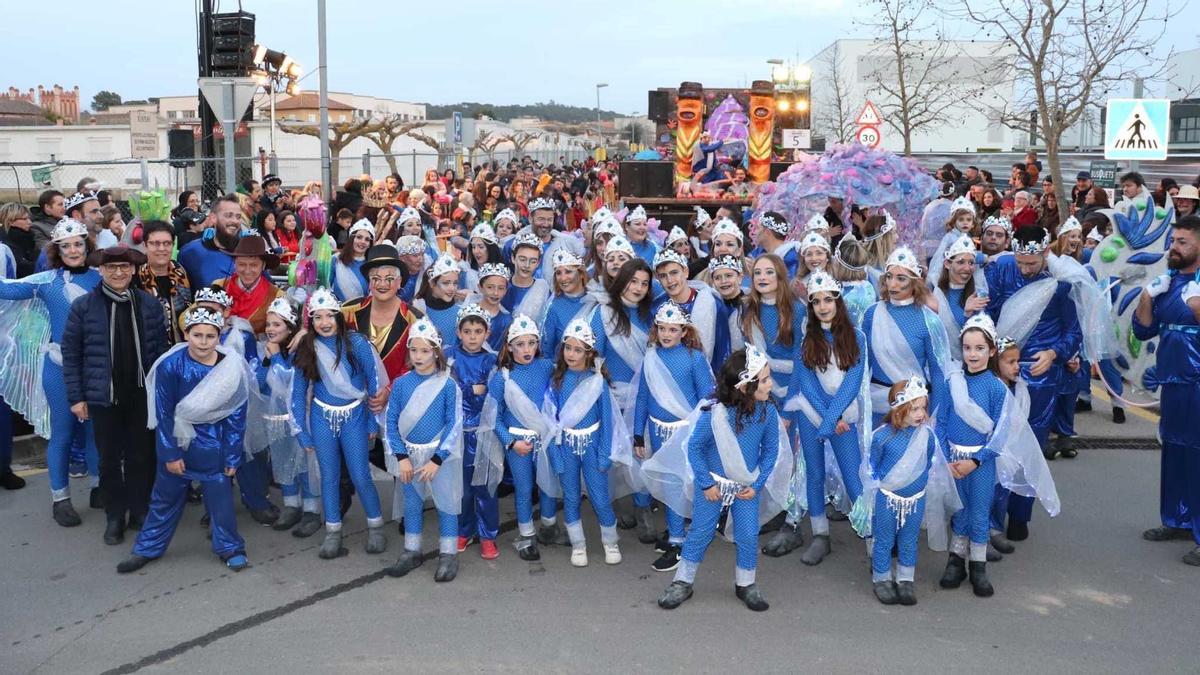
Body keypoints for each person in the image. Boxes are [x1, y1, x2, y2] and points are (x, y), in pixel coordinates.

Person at [650, 347, 789, 612]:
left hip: (746, 486)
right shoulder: (713, 413)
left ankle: (746, 583)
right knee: (701, 532)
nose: (771, 384)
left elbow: (771, 450)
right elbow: (695, 448)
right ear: (745, 386)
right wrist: (706, 483)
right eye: (765, 379)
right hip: (713, 486)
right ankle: (683, 581)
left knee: (748, 534)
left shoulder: (767, 413)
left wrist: (757, 485)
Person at [116, 308, 251, 573]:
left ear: (219, 336)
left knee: (220, 501)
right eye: (197, 335)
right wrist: (170, 454)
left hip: (215, 444)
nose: (203, 342)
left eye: (210, 336)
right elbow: (164, 413)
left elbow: (237, 416)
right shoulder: (170, 365)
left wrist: (233, 456)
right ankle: (147, 547)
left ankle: (230, 547)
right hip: (177, 440)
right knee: (164, 499)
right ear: (185, 334)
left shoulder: (231, 367)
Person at [62, 245, 167, 545]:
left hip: (139, 394)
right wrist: (76, 397)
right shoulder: (84, 306)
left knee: (141, 456)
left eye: (124, 267)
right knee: (108, 459)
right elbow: (71, 355)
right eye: (112, 268)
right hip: (102, 396)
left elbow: (159, 352)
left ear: (133, 270)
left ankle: (139, 510)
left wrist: (159, 394)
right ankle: (114, 515)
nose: (118, 273)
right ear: (101, 271)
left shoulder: (148, 305)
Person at [0, 217, 102, 526]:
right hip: (59, 367)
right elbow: (6, 289)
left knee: (95, 432)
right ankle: (61, 499)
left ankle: (101, 488)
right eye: (66, 246)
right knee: (63, 432)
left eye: (78, 244)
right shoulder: (46, 281)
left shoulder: (102, 278)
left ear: (87, 246)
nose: (73, 250)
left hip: (96, 367)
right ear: (57, 250)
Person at [986, 226, 1082, 541]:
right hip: (1003, 371)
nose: (1025, 269)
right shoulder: (1002, 270)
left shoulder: (1061, 282)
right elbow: (990, 314)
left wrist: (1055, 353)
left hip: (1041, 377)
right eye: (1021, 263)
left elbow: (1074, 330)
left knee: (1032, 446)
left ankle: (1019, 515)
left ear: (1044, 254)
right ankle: (990, 516)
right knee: (998, 442)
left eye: (1031, 263)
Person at [773, 272, 868, 563]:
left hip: (843, 418)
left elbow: (852, 383)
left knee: (853, 477)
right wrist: (825, 419)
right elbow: (806, 383)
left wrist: (834, 419)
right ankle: (820, 534)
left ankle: (871, 535)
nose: (823, 306)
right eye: (816, 302)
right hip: (813, 415)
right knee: (812, 475)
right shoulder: (808, 340)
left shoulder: (857, 337)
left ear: (838, 302)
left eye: (828, 299)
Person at [291, 288, 389, 560]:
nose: (324, 322)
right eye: (318, 317)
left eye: (329, 316)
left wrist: (372, 420)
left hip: (355, 416)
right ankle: (333, 531)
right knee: (329, 476)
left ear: (339, 317)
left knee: (360, 475)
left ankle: (376, 526)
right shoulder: (307, 347)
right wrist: (301, 431)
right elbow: (297, 393)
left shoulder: (356, 343)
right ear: (311, 321)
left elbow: (375, 383)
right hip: (322, 417)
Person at [1133, 214, 1200, 566]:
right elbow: (1144, 331)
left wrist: (1196, 305)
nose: (1174, 247)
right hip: (1173, 383)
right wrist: (1147, 293)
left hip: (1199, 383)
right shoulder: (1169, 281)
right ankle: (1177, 519)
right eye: (1173, 241)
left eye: (1182, 242)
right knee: (1174, 451)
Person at [631, 302, 716, 570]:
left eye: (673, 329)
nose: (667, 334)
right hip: (657, 431)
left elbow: (707, 399)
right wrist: (637, 434)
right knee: (669, 483)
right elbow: (643, 397)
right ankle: (676, 531)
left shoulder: (694, 357)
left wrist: (700, 434)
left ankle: (679, 541)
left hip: (684, 431)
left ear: (684, 331)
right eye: (662, 328)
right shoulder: (651, 356)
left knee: (679, 484)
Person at [383, 317, 464, 582]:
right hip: (410, 456)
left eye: (425, 350)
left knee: (447, 503)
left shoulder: (447, 384)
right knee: (412, 502)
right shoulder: (402, 384)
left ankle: (449, 554)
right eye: (414, 350)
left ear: (436, 352)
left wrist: (438, 459)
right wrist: (402, 458)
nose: (418, 356)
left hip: (439, 457)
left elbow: (454, 424)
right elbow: (390, 422)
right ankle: (411, 550)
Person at [474, 315, 560, 560]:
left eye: (531, 343)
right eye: (520, 344)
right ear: (509, 347)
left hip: (544, 439)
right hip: (518, 443)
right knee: (523, 488)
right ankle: (526, 535)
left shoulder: (546, 368)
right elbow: (493, 416)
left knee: (548, 484)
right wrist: (511, 443)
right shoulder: (503, 377)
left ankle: (549, 526)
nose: (526, 350)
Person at [546, 318, 630, 567]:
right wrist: (556, 455)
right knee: (570, 496)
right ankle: (578, 544)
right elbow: (550, 422)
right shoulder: (556, 381)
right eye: (568, 348)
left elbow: (607, 421)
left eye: (578, 349)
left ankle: (610, 541)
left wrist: (605, 452)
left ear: (589, 353)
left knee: (600, 496)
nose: (571, 354)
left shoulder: (597, 382)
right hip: (566, 446)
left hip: (593, 446)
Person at [937, 314, 1010, 597]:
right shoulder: (951, 382)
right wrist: (947, 459)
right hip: (953, 460)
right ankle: (956, 561)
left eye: (980, 348)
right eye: (967, 348)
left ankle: (978, 566)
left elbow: (1000, 433)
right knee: (959, 511)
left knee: (979, 513)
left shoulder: (996, 388)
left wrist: (975, 460)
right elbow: (941, 421)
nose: (973, 354)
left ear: (992, 351)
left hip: (981, 462)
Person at [866, 377, 945, 605]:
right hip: (888, 498)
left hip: (915, 499)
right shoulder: (881, 436)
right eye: (914, 409)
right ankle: (881, 578)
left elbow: (928, 462)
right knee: (884, 538)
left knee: (909, 539)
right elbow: (873, 466)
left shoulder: (928, 435)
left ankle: (905, 579)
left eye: (923, 408)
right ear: (899, 409)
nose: (921, 414)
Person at [862, 247, 950, 426]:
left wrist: (934, 416)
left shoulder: (929, 320)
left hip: (914, 410)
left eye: (901, 278)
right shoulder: (872, 314)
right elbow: (863, 364)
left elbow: (938, 372)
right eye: (889, 276)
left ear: (915, 283)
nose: (892, 284)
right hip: (877, 405)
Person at [256, 297, 322, 538]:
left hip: (298, 418)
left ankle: (312, 510)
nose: (271, 329)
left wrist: (275, 357)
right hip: (275, 419)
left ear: (290, 327)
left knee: (304, 464)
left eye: (277, 324)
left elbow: (288, 384)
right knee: (283, 462)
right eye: (269, 324)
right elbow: (260, 384)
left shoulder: (300, 352)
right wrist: (266, 360)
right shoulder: (267, 348)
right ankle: (291, 505)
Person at [447, 304, 500, 560]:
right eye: (467, 331)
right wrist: (472, 390)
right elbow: (448, 393)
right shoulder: (449, 359)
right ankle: (463, 530)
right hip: (458, 434)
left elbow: (496, 396)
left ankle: (488, 535)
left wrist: (477, 392)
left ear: (487, 333)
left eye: (478, 331)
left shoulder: (493, 361)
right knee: (463, 488)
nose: (472, 337)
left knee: (485, 488)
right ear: (458, 332)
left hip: (484, 433)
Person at [741, 255, 805, 405]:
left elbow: (801, 360)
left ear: (780, 275)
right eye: (757, 273)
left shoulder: (797, 309)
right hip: (760, 389)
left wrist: (789, 404)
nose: (762, 277)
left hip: (795, 388)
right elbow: (751, 354)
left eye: (769, 272)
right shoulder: (748, 309)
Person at [653, 249, 730, 372]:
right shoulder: (656, 308)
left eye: (674, 273)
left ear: (686, 272)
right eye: (663, 276)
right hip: (669, 379)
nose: (670, 280)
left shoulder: (712, 303)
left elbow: (722, 350)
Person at [931, 234, 989, 360]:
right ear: (947, 264)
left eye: (971, 263)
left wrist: (967, 314)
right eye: (961, 262)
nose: (967, 268)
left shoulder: (978, 296)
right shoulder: (936, 295)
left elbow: (980, 340)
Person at [134, 221, 192, 346]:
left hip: (184, 345)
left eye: (167, 243)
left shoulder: (181, 272)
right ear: (145, 245)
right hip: (150, 346)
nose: (162, 249)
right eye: (155, 243)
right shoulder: (136, 277)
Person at [213, 233, 283, 335]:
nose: (247, 270)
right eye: (242, 264)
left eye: (254, 265)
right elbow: (186, 318)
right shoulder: (219, 286)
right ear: (235, 264)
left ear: (263, 266)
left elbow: (282, 332)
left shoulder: (276, 296)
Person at [177, 194, 241, 288]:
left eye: (238, 217)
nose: (235, 221)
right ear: (213, 218)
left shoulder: (250, 251)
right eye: (229, 215)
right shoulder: (190, 252)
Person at [540, 249, 594, 355]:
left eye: (568, 271)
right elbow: (546, 350)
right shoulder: (553, 307)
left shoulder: (596, 300)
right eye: (558, 273)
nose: (563, 278)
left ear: (581, 274)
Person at [412, 253, 464, 349]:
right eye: (446, 283)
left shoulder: (461, 313)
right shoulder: (417, 308)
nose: (452, 288)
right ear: (432, 283)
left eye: (455, 283)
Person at [502, 232, 551, 321]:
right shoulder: (502, 287)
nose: (527, 265)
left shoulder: (543, 289)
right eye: (522, 259)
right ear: (513, 258)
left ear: (538, 263)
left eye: (533, 261)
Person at [333, 219, 374, 302]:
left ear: (370, 244)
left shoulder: (372, 265)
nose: (362, 242)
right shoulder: (336, 260)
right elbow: (326, 287)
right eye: (359, 237)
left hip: (362, 313)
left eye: (367, 239)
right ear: (352, 239)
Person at [749, 212, 799, 278]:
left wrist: (758, 270)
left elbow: (789, 284)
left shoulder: (791, 257)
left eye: (758, 228)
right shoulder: (758, 253)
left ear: (767, 232)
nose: (754, 232)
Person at [1, 202, 38, 276]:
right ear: (10, 221)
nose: (29, 222)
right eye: (24, 219)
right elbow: (22, 267)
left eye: (29, 218)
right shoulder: (6, 243)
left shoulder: (29, 236)